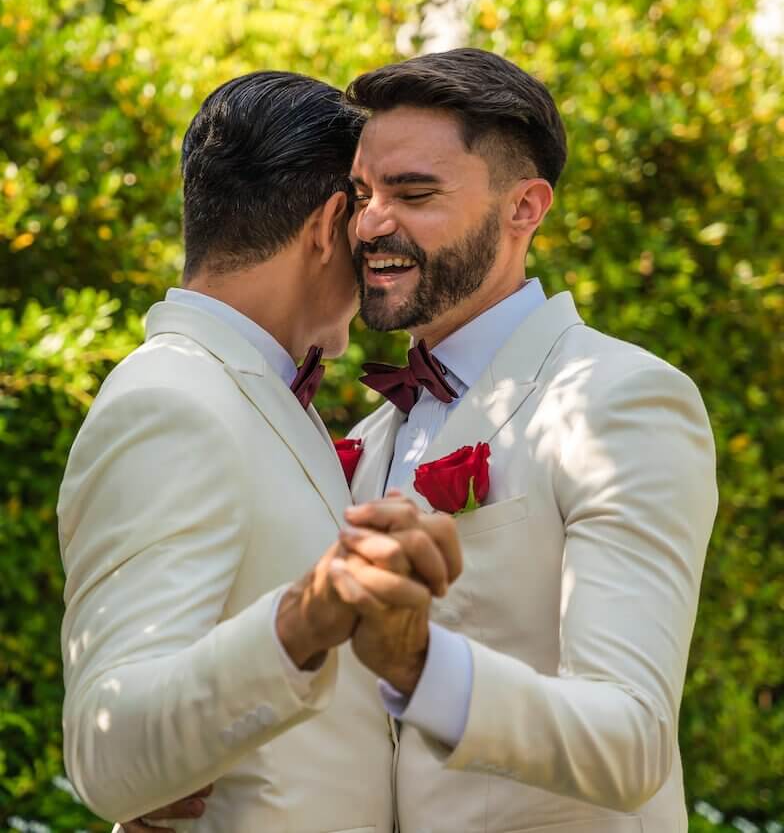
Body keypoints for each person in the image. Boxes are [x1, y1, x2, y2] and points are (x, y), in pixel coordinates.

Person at [123, 48, 718, 832]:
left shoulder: (622, 398)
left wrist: (420, 665)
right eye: (362, 193)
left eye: (414, 193)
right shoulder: (363, 438)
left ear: (524, 208)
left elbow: (632, 739)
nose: (371, 223)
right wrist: (166, 786)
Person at [58, 70, 460, 833]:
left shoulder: (261, 398)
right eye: (371, 214)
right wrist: (301, 621)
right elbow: (106, 750)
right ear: (328, 221)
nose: (379, 245)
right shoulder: (170, 401)